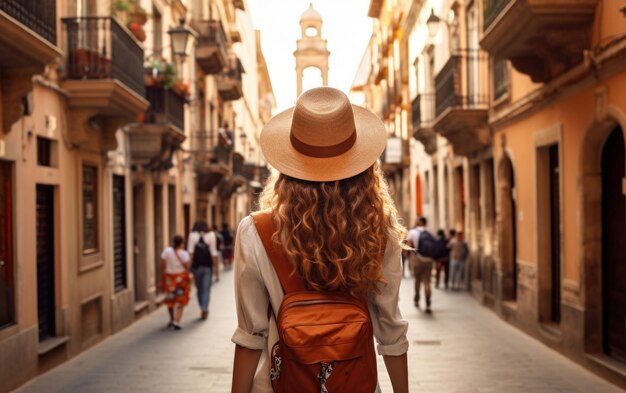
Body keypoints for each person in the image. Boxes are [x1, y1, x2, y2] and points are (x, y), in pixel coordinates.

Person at [231, 87, 409, 393]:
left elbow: (250, 336)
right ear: (363, 168)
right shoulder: (380, 233)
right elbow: (391, 333)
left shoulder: (255, 231)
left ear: (289, 166)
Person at [187, 220, 218, 320]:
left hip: (196, 266)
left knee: (199, 288)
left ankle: (202, 306)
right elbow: (213, 253)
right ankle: (204, 307)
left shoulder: (192, 235)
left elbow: (190, 253)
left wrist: (188, 268)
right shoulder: (211, 234)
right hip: (207, 266)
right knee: (206, 289)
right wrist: (215, 269)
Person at [160, 235, 191, 330]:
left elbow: (162, 264)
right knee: (181, 299)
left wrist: (162, 277)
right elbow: (187, 266)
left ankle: (172, 318)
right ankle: (177, 321)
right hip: (181, 279)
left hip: (170, 279)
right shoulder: (184, 254)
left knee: (170, 299)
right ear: (181, 243)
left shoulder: (167, 251)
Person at [408, 216, 438, 313]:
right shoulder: (429, 234)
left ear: (420, 222)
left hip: (418, 258)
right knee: (427, 282)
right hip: (429, 260)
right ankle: (428, 304)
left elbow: (409, 246)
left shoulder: (412, 232)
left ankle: (417, 299)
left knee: (417, 280)